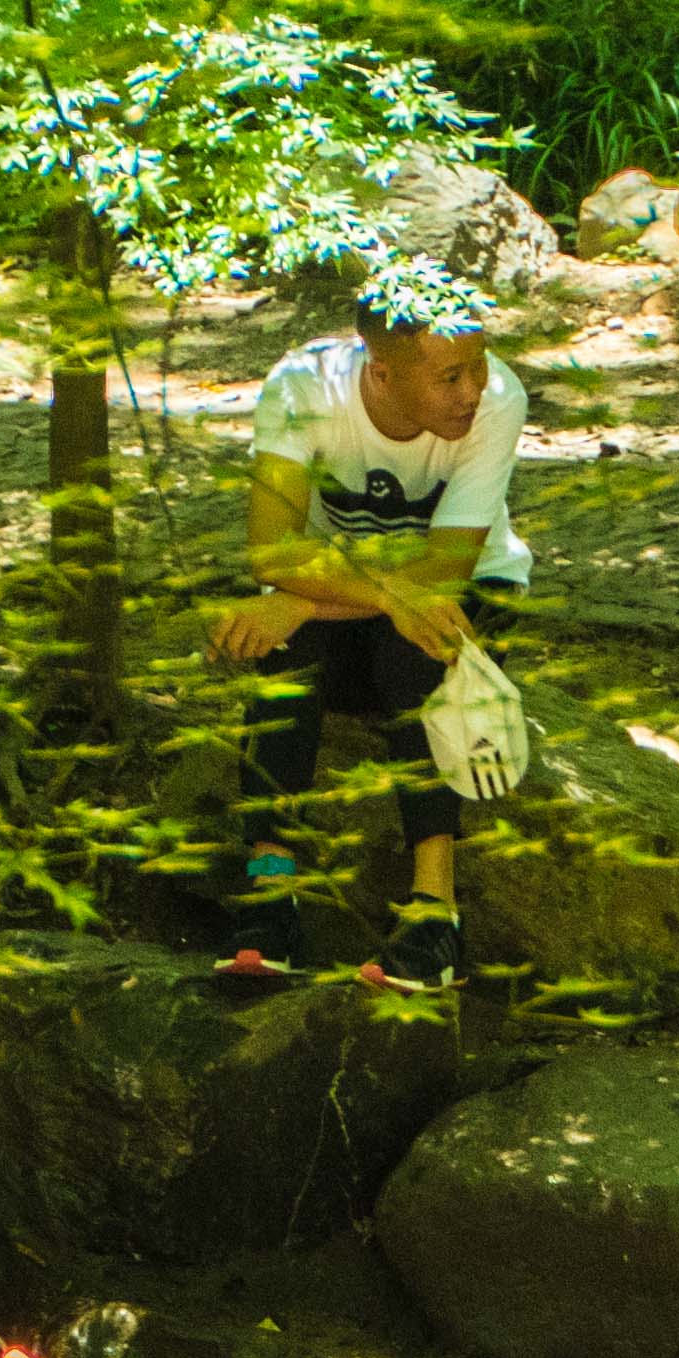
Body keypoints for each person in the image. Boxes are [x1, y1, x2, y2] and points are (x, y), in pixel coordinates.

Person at [206, 310, 531, 995]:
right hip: (352, 592)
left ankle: (435, 912)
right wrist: (361, 596)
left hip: (466, 591)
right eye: (450, 377)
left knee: (414, 652)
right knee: (290, 656)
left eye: (478, 364)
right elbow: (272, 548)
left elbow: (446, 570)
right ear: (381, 373)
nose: (472, 389)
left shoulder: (497, 398)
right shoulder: (304, 387)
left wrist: (301, 598)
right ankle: (272, 890)